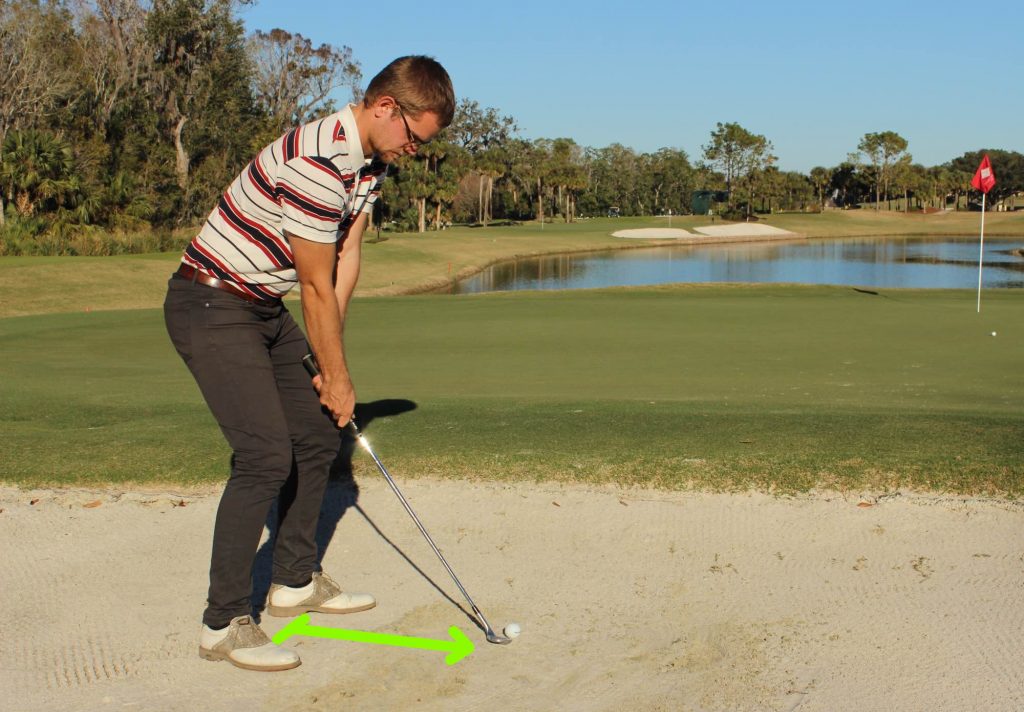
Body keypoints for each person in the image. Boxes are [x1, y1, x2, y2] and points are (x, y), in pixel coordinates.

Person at [163, 56, 455, 672]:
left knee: (321, 429)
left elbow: (347, 254)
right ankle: (223, 624)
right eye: (413, 137)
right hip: (212, 300)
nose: (413, 150)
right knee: (266, 454)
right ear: (385, 108)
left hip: (260, 307)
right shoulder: (317, 164)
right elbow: (315, 286)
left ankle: (293, 580)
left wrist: (330, 360)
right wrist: (337, 373)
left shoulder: (369, 161)